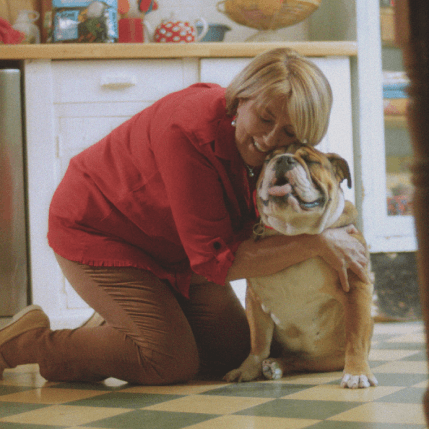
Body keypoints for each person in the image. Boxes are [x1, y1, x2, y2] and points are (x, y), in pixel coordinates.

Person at [0, 48, 369, 385]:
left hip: (176, 246)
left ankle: (119, 328)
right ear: (241, 98)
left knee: (233, 354)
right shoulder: (188, 130)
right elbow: (212, 260)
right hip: (102, 229)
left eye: (288, 132)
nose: (271, 139)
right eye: (264, 117)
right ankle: (24, 343)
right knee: (168, 361)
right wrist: (317, 242)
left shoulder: (267, 154)